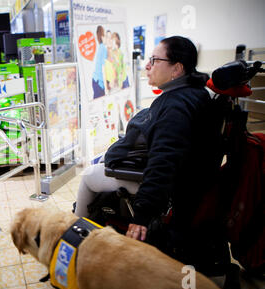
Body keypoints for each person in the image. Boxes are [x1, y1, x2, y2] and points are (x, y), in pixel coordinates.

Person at [75, 36, 220, 244]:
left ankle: (75, 236)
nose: (147, 65)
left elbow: (164, 162)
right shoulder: (192, 93)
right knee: (101, 160)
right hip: (191, 180)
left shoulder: (175, 107)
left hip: (173, 189)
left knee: (89, 174)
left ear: (176, 69)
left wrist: (142, 214)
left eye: (154, 60)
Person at [92, 25, 107, 99]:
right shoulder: (103, 48)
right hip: (99, 82)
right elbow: (104, 67)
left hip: (95, 80)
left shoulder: (100, 47)